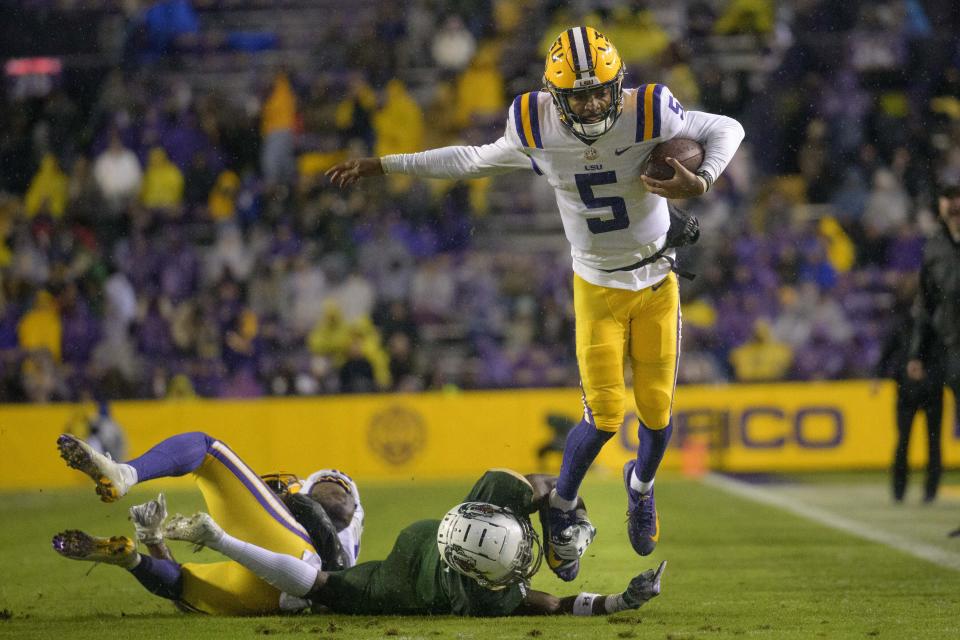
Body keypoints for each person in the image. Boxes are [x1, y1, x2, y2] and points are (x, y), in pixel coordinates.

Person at [326, 26, 745, 572]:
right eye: (579, 95)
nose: (593, 103)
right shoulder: (534, 124)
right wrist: (386, 164)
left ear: (619, 85)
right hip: (597, 284)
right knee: (604, 416)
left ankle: (640, 487)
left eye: (601, 91)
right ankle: (563, 507)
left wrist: (704, 178)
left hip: (657, 280)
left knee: (659, 415)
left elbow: (727, 128)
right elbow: (469, 160)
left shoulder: (652, 112)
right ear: (554, 96)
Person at [162, 469, 666, 617]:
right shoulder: (489, 597)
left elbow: (535, 482)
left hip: (419, 547)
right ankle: (227, 537)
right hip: (405, 584)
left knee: (321, 583)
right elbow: (557, 603)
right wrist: (621, 600)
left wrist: (564, 508)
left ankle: (232, 532)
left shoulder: (488, 500)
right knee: (316, 588)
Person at [53, 432, 363, 614]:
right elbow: (177, 590)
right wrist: (153, 537)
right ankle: (133, 558)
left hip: (298, 561)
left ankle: (127, 473)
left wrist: (292, 500)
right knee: (182, 587)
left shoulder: (320, 490)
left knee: (205, 448)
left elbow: (335, 505)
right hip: (268, 598)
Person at [905, 184, 960, 503]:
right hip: (953, 346)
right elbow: (926, 305)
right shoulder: (934, 248)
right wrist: (916, 353)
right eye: (948, 199)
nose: (953, 205)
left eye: (957, 199)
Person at [877, 277, 944, 503]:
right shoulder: (905, 323)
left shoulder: (933, 325)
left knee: (928, 443)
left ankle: (926, 491)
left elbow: (943, 357)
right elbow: (887, 353)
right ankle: (902, 490)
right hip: (910, 390)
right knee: (907, 441)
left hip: (925, 389)